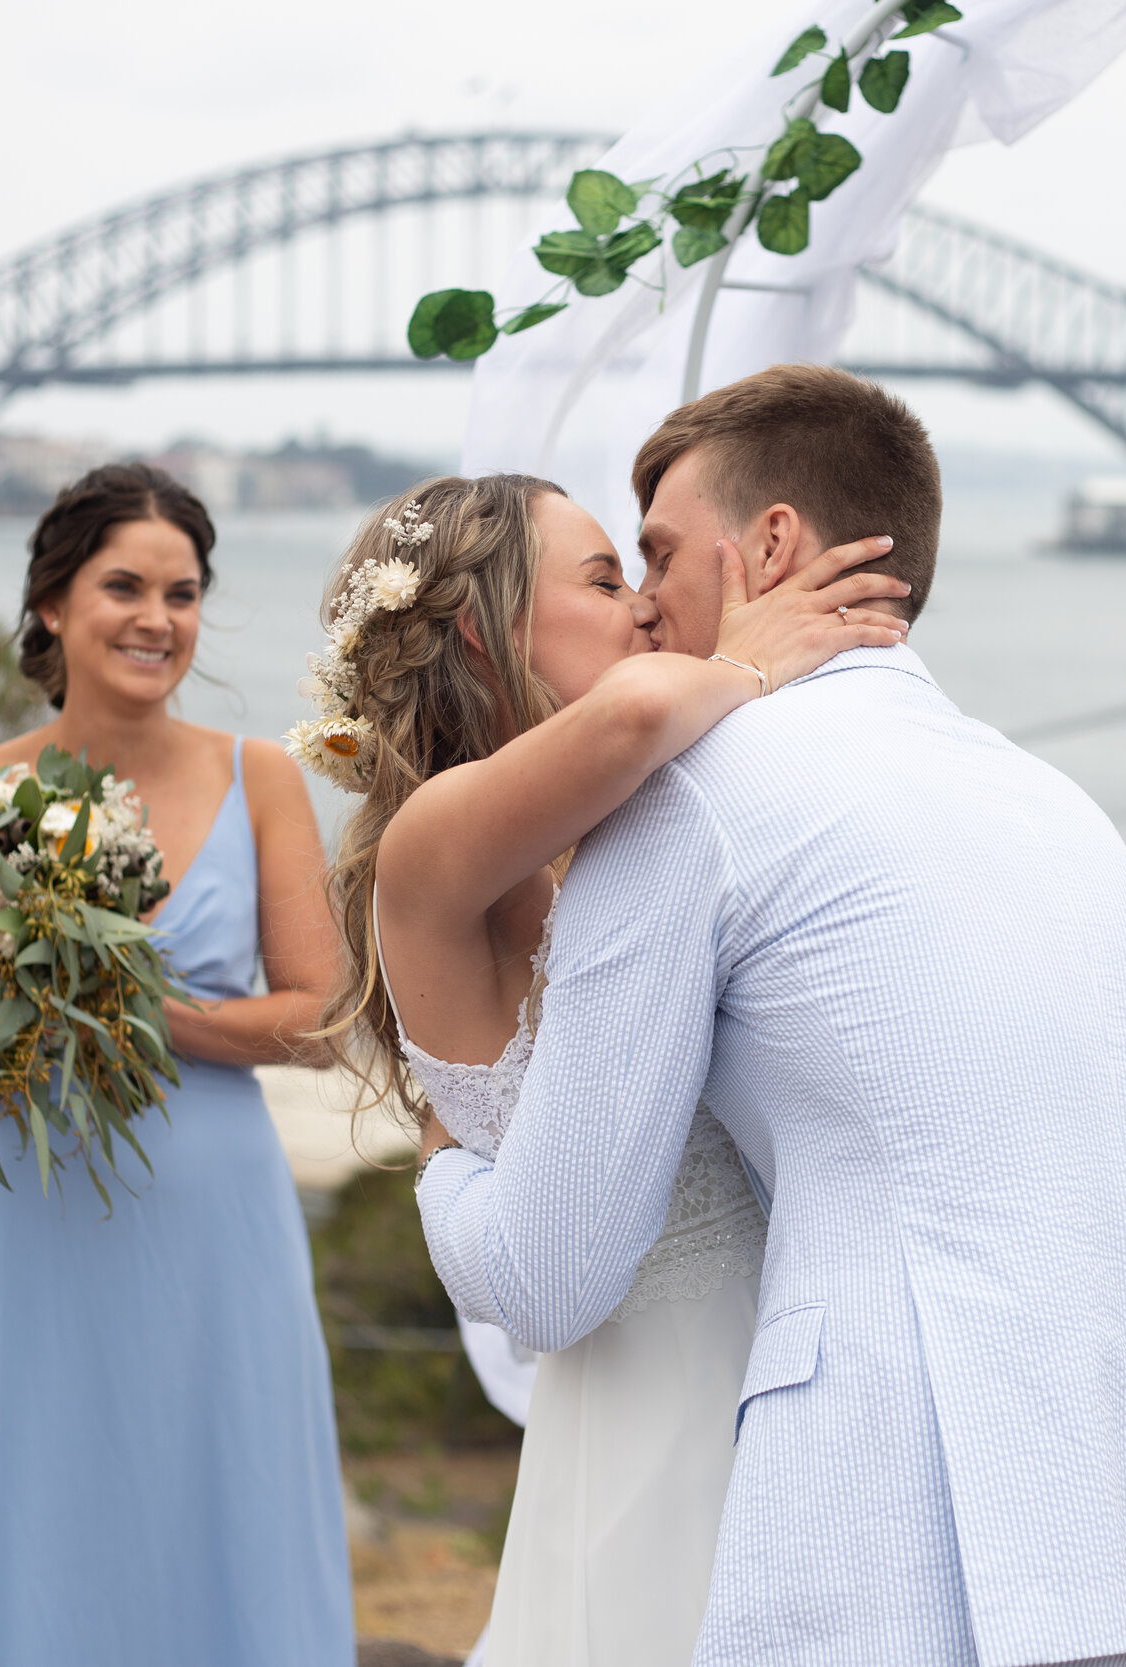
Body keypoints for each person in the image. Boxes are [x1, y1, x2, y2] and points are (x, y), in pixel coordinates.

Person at [415, 365, 1126, 1667]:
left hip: (908, 1525)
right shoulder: (1059, 805)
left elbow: (551, 1271)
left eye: (662, 551)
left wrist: (449, 1170)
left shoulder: (683, 798)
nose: (644, 600)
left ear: (776, 546)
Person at [305, 469, 906, 1666]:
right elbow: (635, 715)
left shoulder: (618, 838)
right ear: (482, 625)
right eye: (600, 578)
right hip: (650, 1394)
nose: (640, 607)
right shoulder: (432, 842)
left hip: (781, 1364)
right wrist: (756, 651)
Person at [0, 463, 352, 1667]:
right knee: (61, 1517)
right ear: (54, 602)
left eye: (183, 591)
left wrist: (126, 999)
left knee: (231, 1512)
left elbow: (319, 1019)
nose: (157, 617)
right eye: (125, 584)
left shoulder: (257, 776)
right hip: (47, 1215)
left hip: (220, 1221)